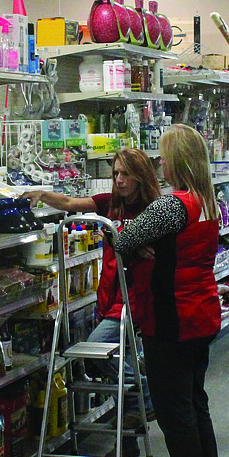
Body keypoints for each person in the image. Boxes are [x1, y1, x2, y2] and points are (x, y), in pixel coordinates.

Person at [113, 123, 222, 457]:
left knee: (175, 414)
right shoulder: (208, 202)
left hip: (171, 317)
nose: (160, 161)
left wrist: (135, 242)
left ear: (177, 160)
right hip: (201, 313)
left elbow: (121, 240)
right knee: (195, 406)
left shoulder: (171, 205)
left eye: (164, 154)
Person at [24, 148, 159, 427]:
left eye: (126, 174)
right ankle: (129, 427)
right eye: (116, 173)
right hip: (109, 292)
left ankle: (144, 391)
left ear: (141, 176)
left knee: (96, 348)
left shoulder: (155, 208)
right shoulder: (109, 203)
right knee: (121, 356)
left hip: (137, 295)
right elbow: (71, 202)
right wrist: (42, 194)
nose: (119, 179)